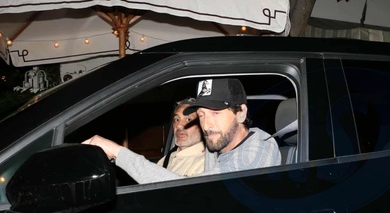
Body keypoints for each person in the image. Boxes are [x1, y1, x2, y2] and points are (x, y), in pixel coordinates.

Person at [83, 78, 281, 184]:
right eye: (201, 114)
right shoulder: (220, 144)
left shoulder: (256, 154)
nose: (207, 124)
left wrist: (118, 152)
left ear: (241, 113)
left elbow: (188, 191)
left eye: (216, 113)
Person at [157, 97, 205, 177]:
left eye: (188, 120)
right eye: (176, 119)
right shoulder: (166, 159)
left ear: (203, 125)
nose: (179, 125)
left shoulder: (204, 164)